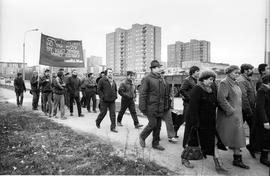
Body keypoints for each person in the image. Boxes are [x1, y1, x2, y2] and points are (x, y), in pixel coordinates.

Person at [181, 70, 229, 174]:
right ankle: (184, 158)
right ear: (203, 79)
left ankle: (218, 165)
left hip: (209, 122)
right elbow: (193, 108)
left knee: (214, 142)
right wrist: (195, 123)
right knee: (193, 143)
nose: (212, 81)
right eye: (210, 79)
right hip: (197, 122)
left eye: (213, 79)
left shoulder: (211, 89)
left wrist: (225, 109)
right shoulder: (197, 89)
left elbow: (214, 103)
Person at [216, 65, 249, 169]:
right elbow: (221, 98)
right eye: (235, 72)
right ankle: (211, 154)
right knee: (225, 137)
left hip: (237, 115)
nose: (238, 74)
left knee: (236, 137)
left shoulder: (235, 82)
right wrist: (230, 110)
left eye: (238, 73)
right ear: (229, 72)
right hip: (229, 116)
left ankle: (237, 158)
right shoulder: (224, 82)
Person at [139, 60, 171, 151]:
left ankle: (155, 143)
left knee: (158, 126)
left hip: (160, 107)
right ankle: (142, 136)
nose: (160, 69)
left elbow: (164, 94)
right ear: (154, 68)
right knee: (152, 124)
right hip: (151, 106)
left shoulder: (160, 78)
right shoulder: (147, 78)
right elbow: (143, 94)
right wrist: (142, 107)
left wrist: (165, 105)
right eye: (159, 67)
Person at [236, 64, 256, 158]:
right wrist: (248, 110)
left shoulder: (248, 79)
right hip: (244, 109)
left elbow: (252, 95)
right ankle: (235, 146)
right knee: (238, 128)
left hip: (249, 109)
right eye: (250, 70)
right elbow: (243, 97)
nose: (252, 71)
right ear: (245, 71)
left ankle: (251, 146)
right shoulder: (241, 80)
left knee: (252, 128)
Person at [252, 74, 270, 167]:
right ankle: (264, 158)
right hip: (265, 118)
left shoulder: (266, 89)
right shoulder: (262, 90)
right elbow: (260, 107)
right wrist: (265, 121)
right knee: (266, 138)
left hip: (267, 116)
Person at [179, 66, 200, 139]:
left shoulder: (196, 80)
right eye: (197, 71)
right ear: (193, 72)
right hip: (188, 103)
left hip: (194, 103)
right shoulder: (187, 80)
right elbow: (182, 90)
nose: (199, 73)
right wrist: (190, 98)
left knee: (191, 119)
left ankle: (191, 136)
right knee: (186, 119)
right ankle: (175, 131)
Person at [96, 68, 118, 132]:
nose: (110, 73)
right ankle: (98, 121)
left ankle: (113, 127)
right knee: (103, 112)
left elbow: (115, 89)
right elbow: (98, 89)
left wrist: (115, 96)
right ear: (106, 73)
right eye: (109, 72)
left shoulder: (113, 80)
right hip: (104, 100)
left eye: (111, 72)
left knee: (113, 114)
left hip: (112, 100)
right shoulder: (102, 80)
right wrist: (102, 97)